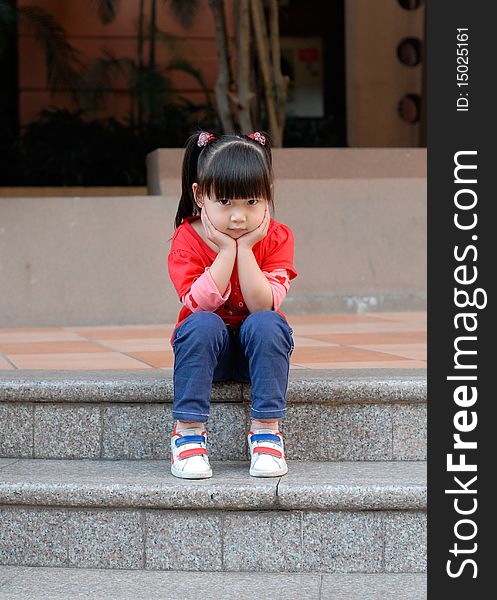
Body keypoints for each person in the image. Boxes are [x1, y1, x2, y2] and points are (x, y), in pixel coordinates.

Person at [167, 130, 297, 480]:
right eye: (225, 202)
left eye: (251, 202)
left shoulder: (277, 237)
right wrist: (225, 251)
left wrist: (246, 249)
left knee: (269, 322)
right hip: (210, 354)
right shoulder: (187, 238)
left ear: (267, 197)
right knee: (202, 323)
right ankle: (188, 434)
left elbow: (262, 304)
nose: (238, 217)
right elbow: (199, 304)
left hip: (259, 355)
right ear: (199, 195)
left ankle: (267, 431)